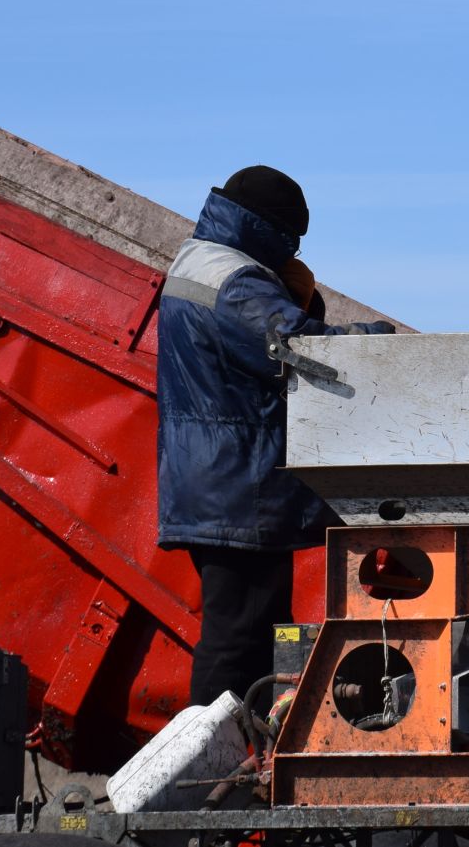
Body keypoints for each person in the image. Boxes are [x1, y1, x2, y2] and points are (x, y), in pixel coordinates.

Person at [155, 165, 395, 706]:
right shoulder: (237, 280)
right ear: (272, 230)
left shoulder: (202, 259)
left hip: (222, 481)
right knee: (237, 637)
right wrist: (373, 341)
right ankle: (204, 765)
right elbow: (300, 351)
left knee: (261, 631)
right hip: (239, 486)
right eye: (293, 238)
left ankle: (249, 759)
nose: (295, 251)